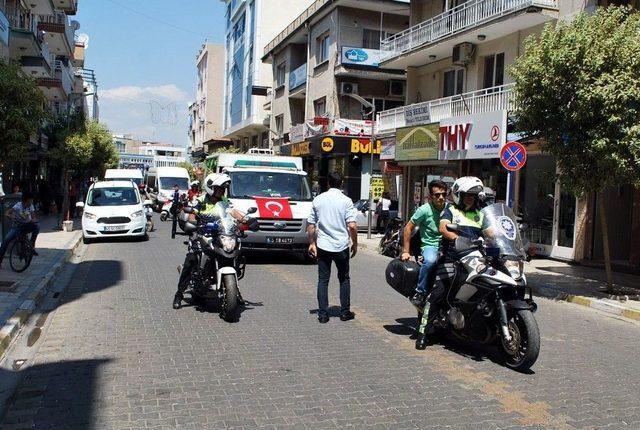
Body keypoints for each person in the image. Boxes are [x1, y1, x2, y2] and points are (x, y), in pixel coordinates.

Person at [415, 176, 486, 350]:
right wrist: (460, 239)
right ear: (458, 196)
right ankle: (423, 332)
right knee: (438, 294)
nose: (470, 198)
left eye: (473, 195)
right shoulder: (451, 210)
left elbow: (492, 232)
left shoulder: (480, 214)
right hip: (453, 258)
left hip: (477, 259)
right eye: (467, 195)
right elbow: (443, 228)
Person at [173, 173, 246, 309]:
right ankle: (179, 294)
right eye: (220, 188)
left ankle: (235, 290)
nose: (222, 191)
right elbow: (191, 216)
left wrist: (246, 220)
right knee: (192, 260)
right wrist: (196, 222)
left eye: (224, 188)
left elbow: (233, 212)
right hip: (203, 235)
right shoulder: (199, 200)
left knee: (235, 253)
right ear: (211, 188)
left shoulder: (224, 201)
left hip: (221, 234)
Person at [307, 171, 358, 323]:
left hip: (323, 245)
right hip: (341, 246)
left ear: (328, 183)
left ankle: (323, 315)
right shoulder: (346, 201)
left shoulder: (318, 200)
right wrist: (354, 243)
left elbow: (310, 225)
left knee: (323, 280)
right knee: (344, 279)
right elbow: (352, 226)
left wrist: (312, 243)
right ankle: (344, 313)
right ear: (341, 183)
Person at [401, 180, 448, 307]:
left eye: (444, 194)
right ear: (430, 196)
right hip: (430, 245)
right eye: (437, 195)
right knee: (430, 261)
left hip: (448, 245)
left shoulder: (450, 209)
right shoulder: (424, 210)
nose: (441, 198)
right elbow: (408, 228)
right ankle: (420, 292)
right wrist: (406, 251)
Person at [0, 192, 40, 267]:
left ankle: (32, 244)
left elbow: (33, 216)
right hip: (17, 227)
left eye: (31, 201)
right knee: (6, 241)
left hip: (26, 225)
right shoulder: (17, 206)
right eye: (29, 201)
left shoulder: (31, 206)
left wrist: (33, 220)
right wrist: (11, 216)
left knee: (37, 226)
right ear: (25, 201)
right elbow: (7, 212)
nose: (31, 203)